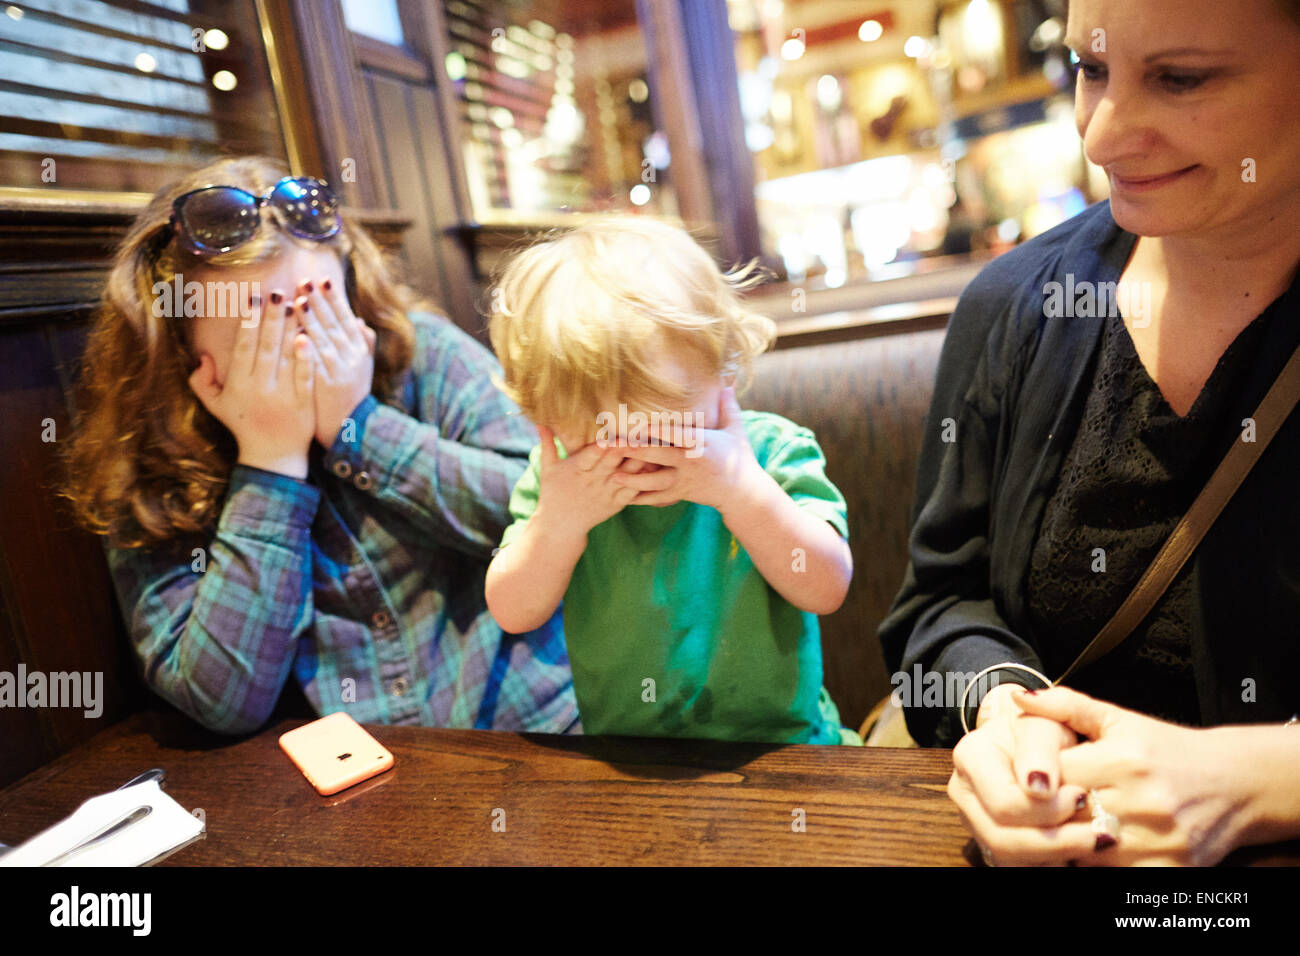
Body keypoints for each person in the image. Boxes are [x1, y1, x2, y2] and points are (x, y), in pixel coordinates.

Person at [878, 0, 1300, 864]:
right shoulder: (1012, 310)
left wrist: (1263, 778)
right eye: (1091, 69)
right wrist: (1007, 712)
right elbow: (940, 603)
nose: (1101, 137)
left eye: (1180, 79)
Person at [61, 156, 578, 736]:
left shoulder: (424, 353)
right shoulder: (153, 455)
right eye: (261, 335)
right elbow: (219, 698)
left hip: (542, 732)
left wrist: (356, 426)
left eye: (320, 313)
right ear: (181, 345)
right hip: (352, 790)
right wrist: (270, 462)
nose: (302, 349)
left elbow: (550, 510)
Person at [483, 218, 860, 744]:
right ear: (542, 417)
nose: (635, 454)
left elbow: (826, 587)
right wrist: (557, 524)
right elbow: (513, 611)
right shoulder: (560, 485)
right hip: (628, 761)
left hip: (787, 750)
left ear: (725, 371)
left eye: (666, 430)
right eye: (601, 439)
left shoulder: (770, 454)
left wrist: (742, 492)